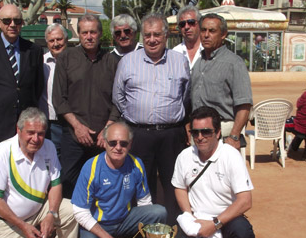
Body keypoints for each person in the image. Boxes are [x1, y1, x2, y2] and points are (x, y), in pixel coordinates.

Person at [0, 107, 85, 238]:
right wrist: (22, 225)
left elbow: (56, 184)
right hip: (10, 220)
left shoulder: (49, 147)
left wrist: (51, 213)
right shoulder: (1, 153)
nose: (36, 139)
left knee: (72, 210)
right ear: (18, 130)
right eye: (30, 133)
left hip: (39, 210)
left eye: (41, 134)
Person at [113, 12, 190, 224]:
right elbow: (118, 97)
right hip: (139, 135)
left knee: (174, 183)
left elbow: (186, 96)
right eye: (147, 35)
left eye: (157, 34)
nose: (152, 39)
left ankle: (174, 230)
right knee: (140, 184)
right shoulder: (128, 62)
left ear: (166, 36)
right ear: (142, 37)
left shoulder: (179, 61)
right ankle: (142, 233)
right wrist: (135, 116)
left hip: (171, 135)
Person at [172, 106, 255, 238]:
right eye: (195, 132)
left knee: (243, 232)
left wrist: (215, 224)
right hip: (199, 220)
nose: (200, 137)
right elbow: (179, 187)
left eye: (206, 131)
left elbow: (245, 201)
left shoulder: (231, 156)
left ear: (217, 133)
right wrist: (189, 216)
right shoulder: (185, 156)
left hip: (226, 219)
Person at [71, 122, 167, 238]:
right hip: (99, 224)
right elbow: (80, 212)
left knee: (158, 212)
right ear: (104, 142)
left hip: (125, 220)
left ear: (130, 144)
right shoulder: (91, 167)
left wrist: (143, 230)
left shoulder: (136, 164)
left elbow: (144, 201)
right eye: (112, 142)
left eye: (123, 143)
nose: (118, 147)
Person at [52, 14, 120, 199]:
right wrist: (77, 127)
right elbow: (59, 99)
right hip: (74, 136)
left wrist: (107, 129)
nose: (89, 36)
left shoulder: (112, 61)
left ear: (100, 34)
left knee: (104, 184)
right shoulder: (66, 58)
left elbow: (119, 100)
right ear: (79, 34)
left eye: (93, 32)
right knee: (67, 182)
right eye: (84, 32)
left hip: (102, 139)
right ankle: (70, 225)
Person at [0, 4, 44, 159]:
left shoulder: (34, 50)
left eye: (17, 21)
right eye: (7, 21)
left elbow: (37, 86)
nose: (12, 25)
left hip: (27, 128)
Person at [191, 13, 253, 150]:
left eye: (212, 31)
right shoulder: (198, 63)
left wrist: (234, 136)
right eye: (203, 30)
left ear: (223, 34)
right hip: (198, 134)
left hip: (223, 133)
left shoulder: (234, 63)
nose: (206, 35)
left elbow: (244, 104)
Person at [38, 23, 68, 157]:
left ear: (66, 39)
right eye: (51, 40)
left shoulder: (76, 61)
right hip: (50, 121)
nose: (56, 43)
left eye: (59, 39)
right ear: (47, 43)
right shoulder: (41, 63)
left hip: (72, 121)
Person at [173, 5, 203, 72]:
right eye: (182, 24)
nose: (186, 27)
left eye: (191, 22)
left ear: (200, 23)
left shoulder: (208, 51)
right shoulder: (175, 53)